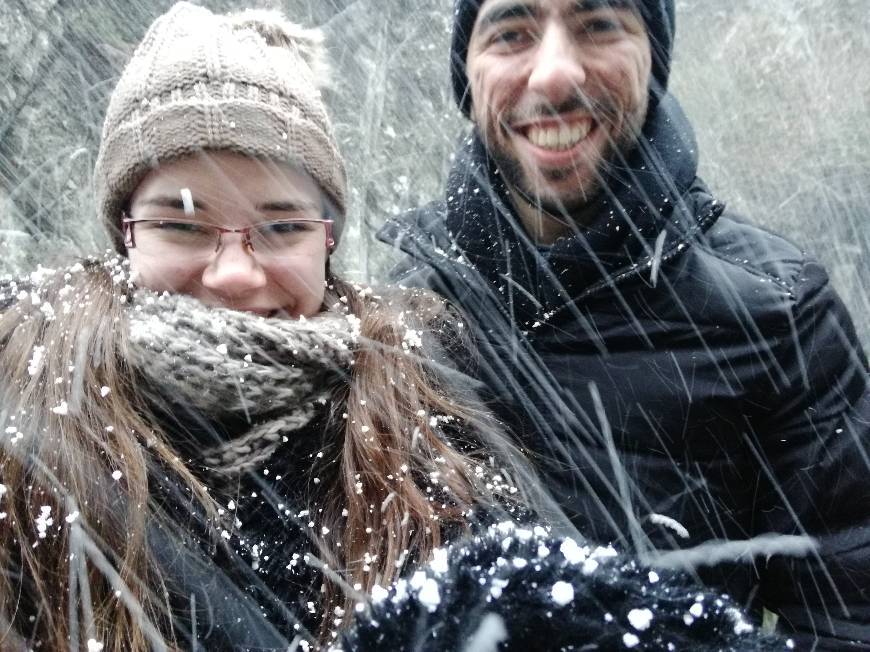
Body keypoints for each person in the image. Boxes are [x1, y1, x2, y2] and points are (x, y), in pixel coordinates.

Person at [0, 3, 795, 651]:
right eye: (183, 225)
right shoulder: (24, 441)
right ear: (122, 235)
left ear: (329, 241)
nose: (235, 274)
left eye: (279, 228)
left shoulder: (428, 429)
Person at [377, 0, 870, 649]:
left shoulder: (779, 313)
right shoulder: (395, 312)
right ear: (468, 76)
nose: (554, 74)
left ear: (654, 60)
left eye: (599, 25)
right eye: (512, 31)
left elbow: (846, 621)